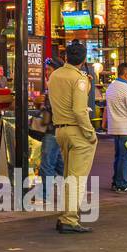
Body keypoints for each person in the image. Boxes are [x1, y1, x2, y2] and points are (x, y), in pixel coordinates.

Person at [48, 41, 98, 233]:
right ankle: (69, 219)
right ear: (84, 59)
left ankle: (65, 216)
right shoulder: (80, 79)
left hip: (60, 129)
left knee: (69, 177)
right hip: (77, 131)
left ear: (66, 57)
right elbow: (79, 110)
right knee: (77, 179)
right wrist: (90, 133)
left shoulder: (55, 75)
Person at [104, 62, 127, 193]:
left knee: (119, 156)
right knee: (126, 158)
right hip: (126, 129)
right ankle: (123, 184)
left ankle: (116, 181)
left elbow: (106, 108)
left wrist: (104, 124)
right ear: (126, 74)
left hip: (115, 127)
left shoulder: (111, 87)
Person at [37, 58, 64, 194]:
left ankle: (44, 195)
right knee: (60, 164)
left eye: (49, 69)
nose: (46, 72)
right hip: (55, 128)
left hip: (53, 128)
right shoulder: (52, 85)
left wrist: (44, 106)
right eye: (45, 69)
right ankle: (73, 190)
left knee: (47, 164)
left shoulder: (56, 86)